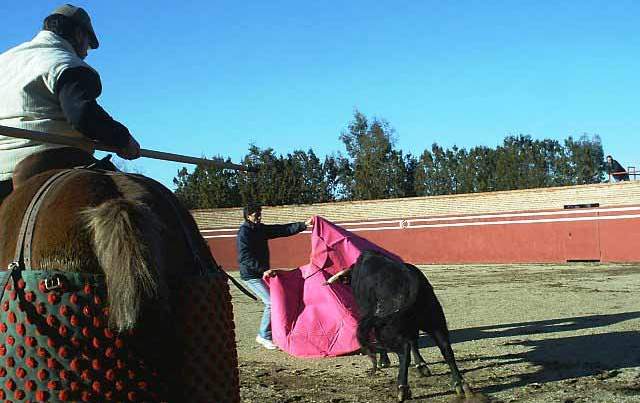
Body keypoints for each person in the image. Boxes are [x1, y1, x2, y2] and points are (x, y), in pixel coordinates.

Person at [0, 4, 140, 204]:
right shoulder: (65, 62)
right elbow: (83, 116)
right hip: (53, 160)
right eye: (88, 44)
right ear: (78, 34)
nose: (86, 53)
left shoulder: (5, 60)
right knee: (141, 205)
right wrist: (123, 140)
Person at [237, 203, 313, 350]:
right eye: (256, 215)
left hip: (261, 273)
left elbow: (282, 229)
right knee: (271, 302)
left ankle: (270, 333)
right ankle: (263, 335)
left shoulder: (260, 229)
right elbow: (244, 257)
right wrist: (263, 269)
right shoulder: (244, 233)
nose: (259, 217)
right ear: (248, 216)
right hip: (251, 275)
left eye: (260, 214)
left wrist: (304, 225)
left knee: (277, 300)